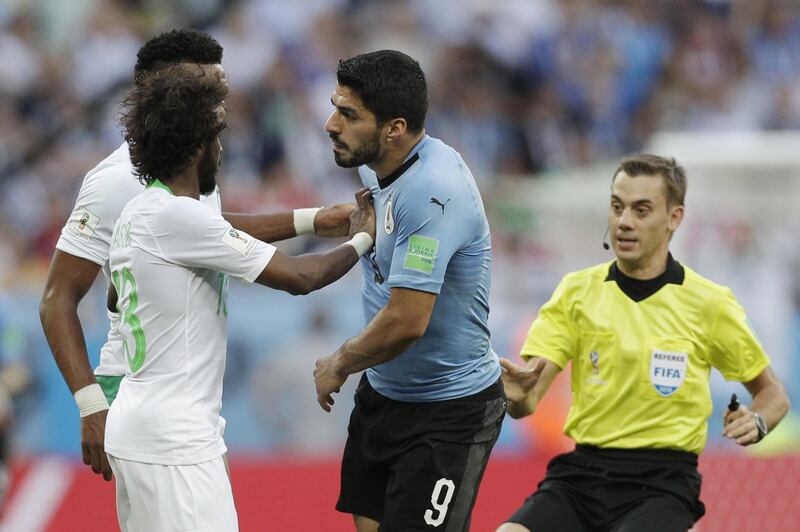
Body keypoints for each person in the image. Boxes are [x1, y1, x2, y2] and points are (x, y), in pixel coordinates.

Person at [38, 29, 353, 483]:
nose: (220, 106)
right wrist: (90, 405)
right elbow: (56, 297)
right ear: (164, 90)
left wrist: (310, 220)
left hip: (184, 397)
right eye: (208, 89)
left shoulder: (184, 163)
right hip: (140, 389)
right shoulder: (113, 182)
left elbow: (210, 227)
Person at [105, 64, 375, 531]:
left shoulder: (141, 211)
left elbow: (210, 232)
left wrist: (313, 220)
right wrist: (362, 239)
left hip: (144, 428)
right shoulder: (178, 220)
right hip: (174, 440)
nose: (222, 149)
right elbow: (297, 277)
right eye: (217, 139)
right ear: (197, 148)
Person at [497, 154, 790, 532]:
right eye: (617, 207)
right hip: (582, 477)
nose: (624, 221)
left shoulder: (709, 303)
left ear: (674, 218)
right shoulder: (575, 292)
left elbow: (773, 394)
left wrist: (759, 421)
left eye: (641, 209)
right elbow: (528, 401)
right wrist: (517, 394)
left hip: (662, 485)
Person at [313, 50, 505, 532]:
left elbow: (407, 321)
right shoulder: (374, 167)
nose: (331, 124)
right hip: (383, 395)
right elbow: (390, 223)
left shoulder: (435, 189)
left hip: (448, 414)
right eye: (335, 107)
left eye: (348, 115)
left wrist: (339, 361)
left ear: (395, 128)